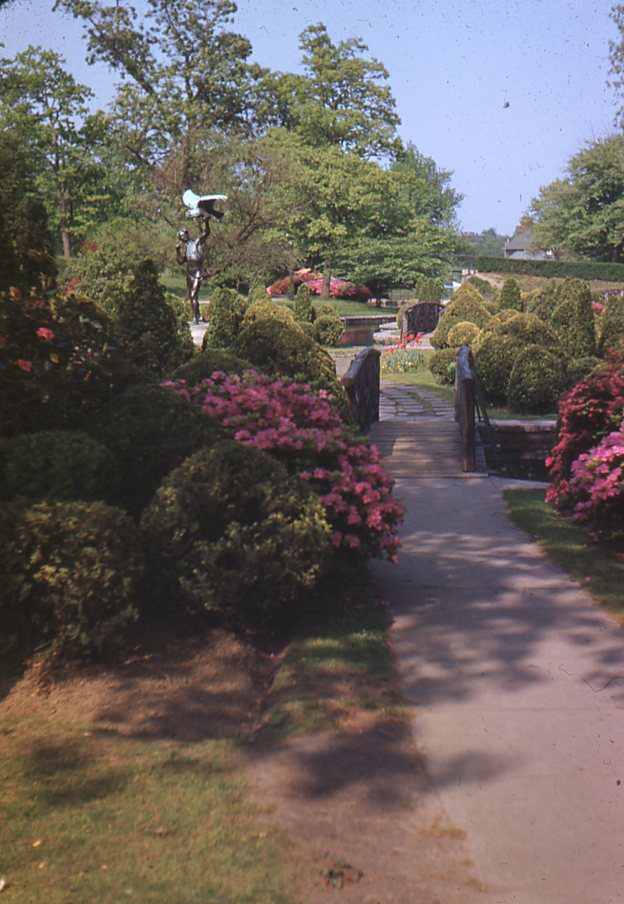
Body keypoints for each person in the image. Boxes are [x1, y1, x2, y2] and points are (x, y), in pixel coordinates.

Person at [176, 222, 210, 323]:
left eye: (183, 235)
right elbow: (180, 261)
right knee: (192, 296)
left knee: (193, 294)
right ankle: (198, 316)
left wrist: (206, 222)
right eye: (181, 237)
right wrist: (177, 251)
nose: (183, 238)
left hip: (197, 273)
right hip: (189, 274)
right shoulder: (186, 249)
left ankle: (196, 318)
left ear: (187, 234)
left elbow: (206, 233)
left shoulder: (197, 242)